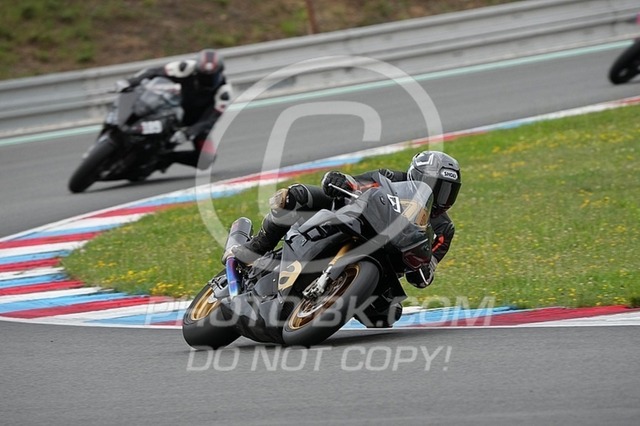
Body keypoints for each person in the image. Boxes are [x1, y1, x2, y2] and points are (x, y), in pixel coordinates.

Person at [229, 150, 461, 290]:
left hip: (387, 261)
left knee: (387, 315)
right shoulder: (390, 178)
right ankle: (255, 247)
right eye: (435, 186)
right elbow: (357, 183)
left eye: (447, 191)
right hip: (355, 220)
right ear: (417, 176)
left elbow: (428, 269)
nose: (440, 196)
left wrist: (423, 270)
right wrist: (340, 180)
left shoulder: (444, 230)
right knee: (294, 196)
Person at [120, 48, 232, 170]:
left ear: (220, 73)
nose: (207, 81)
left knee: (206, 159)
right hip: (170, 108)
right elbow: (154, 72)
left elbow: (210, 120)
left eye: (211, 77)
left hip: (196, 123)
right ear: (196, 71)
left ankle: (166, 158)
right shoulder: (185, 67)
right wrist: (131, 81)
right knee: (142, 106)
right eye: (203, 76)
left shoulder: (224, 92)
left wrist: (189, 132)